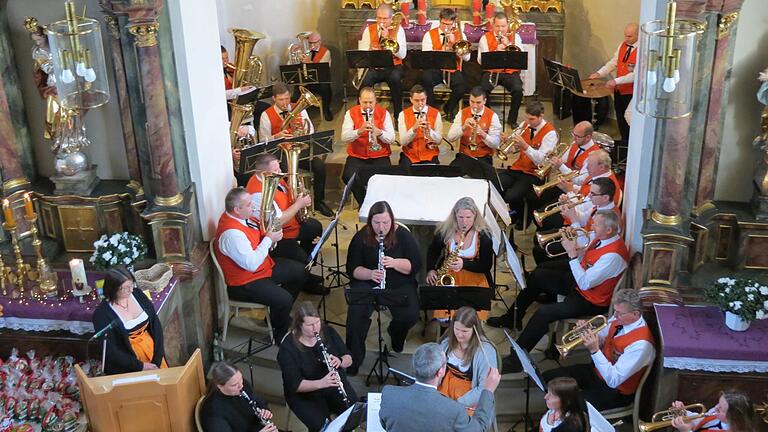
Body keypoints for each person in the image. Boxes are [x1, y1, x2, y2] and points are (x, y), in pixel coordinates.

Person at [500, 210, 629, 373]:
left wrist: (571, 252)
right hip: (581, 285)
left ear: (609, 230)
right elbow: (586, 263)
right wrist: (573, 243)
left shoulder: (613, 257)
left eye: (596, 224)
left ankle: (516, 360)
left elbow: (584, 283)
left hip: (590, 300)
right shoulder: (602, 239)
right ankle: (513, 316)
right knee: (539, 275)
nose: (592, 226)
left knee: (543, 314)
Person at [214, 187, 308, 342]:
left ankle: (277, 317)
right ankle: (280, 333)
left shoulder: (244, 218)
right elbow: (251, 264)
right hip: (244, 282)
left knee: (300, 272)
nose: (255, 207)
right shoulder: (232, 234)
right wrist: (269, 239)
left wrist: (271, 233)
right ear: (237, 209)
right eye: (250, 205)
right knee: (284, 299)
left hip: (261, 269)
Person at [541, 289, 655, 411]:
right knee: (548, 377)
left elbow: (613, 380)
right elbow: (602, 336)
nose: (615, 316)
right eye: (615, 311)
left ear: (635, 314)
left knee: (565, 406)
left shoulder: (641, 345)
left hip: (613, 391)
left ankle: (557, 422)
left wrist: (595, 350)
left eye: (620, 313)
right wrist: (585, 331)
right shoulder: (620, 319)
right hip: (595, 372)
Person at [345, 201, 421, 374]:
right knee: (355, 316)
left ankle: (396, 333)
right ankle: (353, 359)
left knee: (410, 315)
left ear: (392, 221)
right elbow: (352, 269)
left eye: (386, 223)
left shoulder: (403, 236)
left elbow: (415, 265)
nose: (381, 227)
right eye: (376, 222)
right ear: (370, 222)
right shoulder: (361, 237)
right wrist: (370, 274)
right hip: (368, 283)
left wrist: (394, 263)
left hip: (399, 282)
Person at [379, 342, 500, 432]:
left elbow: (385, 424)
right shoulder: (453, 410)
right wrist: (488, 390)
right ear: (440, 372)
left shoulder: (389, 394)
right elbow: (479, 429)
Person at [277, 301, 358, 432]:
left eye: (317, 322)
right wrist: (322, 383)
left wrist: (340, 361)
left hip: (333, 385)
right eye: (310, 325)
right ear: (299, 325)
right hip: (305, 395)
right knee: (322, 427)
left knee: (353, 412)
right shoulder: (288, 349)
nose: (316, 328)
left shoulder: (328, 331)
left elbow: (349, 358)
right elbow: (295, 385)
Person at [257, 82, 333, 217]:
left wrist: (305, 132)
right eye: (281, 99)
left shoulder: (299, 108)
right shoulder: (266, 115)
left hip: (300, 151)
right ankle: (291, 205)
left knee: (319, 167)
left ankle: (319, 201)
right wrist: (277, 136)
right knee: (286, 173)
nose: (285, 102)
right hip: (281, 155)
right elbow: (263, 141)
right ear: (274, 98)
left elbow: (311, 130)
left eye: (287, 98)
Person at [426, 197, 494, 320]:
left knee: (469, 319)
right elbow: (433, 251)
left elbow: (486, 266)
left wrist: (464, 264)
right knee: (445, 315)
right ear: (455, 216)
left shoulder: (484, 235)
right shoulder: (445, 231)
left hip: (474, 280)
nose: (464, 222)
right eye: (460, 217)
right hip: (449, 278)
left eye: (468, 218)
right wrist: (431, 269)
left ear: (475, 216)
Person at [92, 266, 166, 375]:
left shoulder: (137, 294)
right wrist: (140, 366)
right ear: (113, 288)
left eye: (131, 285)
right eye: (126, 287)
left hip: (152, 351)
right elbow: (111, 350)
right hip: (128, 364)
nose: (131, 290)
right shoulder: (102, 314)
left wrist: (157, 358)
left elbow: (155, 324)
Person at [497, 100, 558, 230]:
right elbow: (515, 149)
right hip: (518, 167)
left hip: (534, 173)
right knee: (497, 184)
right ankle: (514, 212)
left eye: (532, 119)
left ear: (541, 116)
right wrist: (508, 142)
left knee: (511, 195)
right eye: (527, 118)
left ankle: (520, 214)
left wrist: (525, 146)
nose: (528, 122)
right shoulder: (525, 124)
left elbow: (542, 161)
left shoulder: (550, 134)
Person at [340, 87, 396, 205]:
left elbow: (391, 138)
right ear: (359, 100)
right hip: (357, 155)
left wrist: (379, 132)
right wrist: (359, 131)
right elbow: (344, 137)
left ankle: (380, 203)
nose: (368, 105)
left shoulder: (384, 113)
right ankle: (365, 202)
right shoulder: (350, 113)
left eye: (371, 102)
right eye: (365, 102)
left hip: (379, 155)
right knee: (347, 177)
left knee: (387, 178)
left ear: (376, 100)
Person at [438, 307, 499, 414]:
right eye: (456, 329)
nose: (459, 334)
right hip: (444, 389)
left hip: (469, 398)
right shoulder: (446, 342)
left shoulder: (485, 352)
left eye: (464, 331)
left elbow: (484, 389)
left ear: (475, 329)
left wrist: (457, 403)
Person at [588, 23, 638, 144]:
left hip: (630, 92)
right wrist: (599, 74)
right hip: (619, 91)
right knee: (620, 118)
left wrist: (615, 81)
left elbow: (635, 75)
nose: (626, 39)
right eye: (625, 35)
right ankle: (623, 142)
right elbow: (613, 63)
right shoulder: (623, 45)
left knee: (629, 120)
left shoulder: (642, 51)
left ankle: (629, 145)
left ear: (638, 35)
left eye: (630, 36)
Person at [358, 3, 407, 119]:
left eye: (385, 19)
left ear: (391, 18)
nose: (382, 21)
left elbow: (403, 55)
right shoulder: (369, 30)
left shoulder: (398, 30)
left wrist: (388, 39)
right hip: (374, 67)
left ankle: (397, 115)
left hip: (393, 66)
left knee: (395, 80)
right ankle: (364, 115)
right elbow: (362, 52)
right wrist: (369, 49)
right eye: (379, 18)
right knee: (365, 82)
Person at [420, 8, 471, 120]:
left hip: (453, 69)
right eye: (443, 24)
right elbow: (426, 58)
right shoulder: (429, 35)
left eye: (449, 24)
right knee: (425, 78)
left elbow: (467, 58)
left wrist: (454, 44)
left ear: (453, 23)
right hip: (435, 69)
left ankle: (449, 107)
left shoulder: (460, 36)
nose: (446, 27)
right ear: (439, 20)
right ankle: (432, 110)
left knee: (462, 87)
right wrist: (442, 49)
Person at [535, 121, 599, 206]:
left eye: (577, 136)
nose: (574, 138)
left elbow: (580, 181)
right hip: (562, 184)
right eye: (573, 134)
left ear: (588, 137)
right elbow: (563, 160)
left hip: (574, 192)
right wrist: (553, 157)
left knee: (542, 204)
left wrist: (560, 166)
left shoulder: (594, 156)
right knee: (534, 198)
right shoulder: (575, 143)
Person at [200, 361, 278, 432]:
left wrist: (265, 410)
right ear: (220, 386)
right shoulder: (213, 412)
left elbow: (260, 401)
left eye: (241, 379)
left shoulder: (242, 385)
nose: (241, 386)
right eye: (234, 385)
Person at [478, 12, 525, 127]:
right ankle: (489, 117)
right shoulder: (485, 38)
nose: (500, 29)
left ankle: (512, 120)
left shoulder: (515, 37)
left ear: (508, 25)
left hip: (510, 72)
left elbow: (521, 57)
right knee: (483, 89)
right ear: (493, 25)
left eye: (503, 26)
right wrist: (495, 51)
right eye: (498, 26)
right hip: (492, 71)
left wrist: (508, 44)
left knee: (518, 89)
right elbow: (480, 60)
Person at [446, 86, 502, 171]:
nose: (474, 106)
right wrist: (464, 127)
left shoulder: (493, 116)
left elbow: (495, 144)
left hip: (483, 157)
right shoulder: (462, 113)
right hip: (464, 155)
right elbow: (450, 138)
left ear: (485, 101)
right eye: (472, 102)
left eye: (478, 102)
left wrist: (482, 134)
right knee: (451, 175)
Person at [398, 85, 444, 166]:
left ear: (426, 98)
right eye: (417, 100)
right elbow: (403, 142)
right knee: (404, 174)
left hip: (430, 154)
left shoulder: (436, 113)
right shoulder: (403, 114)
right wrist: (414, 129)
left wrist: (430, 132)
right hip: (410, 155)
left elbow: (439, 141)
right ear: (411, 100)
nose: (420, 103)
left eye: (423, 100)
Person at [670, 390, 757, 432]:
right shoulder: (716, 414)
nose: (716, 408)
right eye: (718, 403)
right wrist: (682, 412)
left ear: (733, 417)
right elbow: (698, 421)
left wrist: (685, 431)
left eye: (721, 408)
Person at [298, 31, 334, 121]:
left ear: (320, 42)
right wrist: (295, 56)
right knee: (296, 91)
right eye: (310, 43)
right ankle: (297, 114)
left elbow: (322, 69)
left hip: (319, 81)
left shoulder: (326, 52)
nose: (312, 45)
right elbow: (291, 66)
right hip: (306, 81)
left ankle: (326, 110)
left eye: (314, 43)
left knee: (326, 88)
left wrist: (309, 62)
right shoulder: (306, 51)